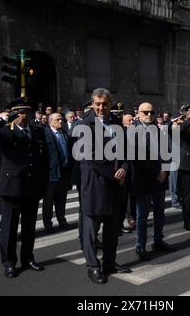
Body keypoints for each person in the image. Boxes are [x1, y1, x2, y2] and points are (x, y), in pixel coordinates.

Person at [0, 98, 49, 278]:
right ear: (12, 114)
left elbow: (44, 159)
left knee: (29, 227)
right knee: (9, 228)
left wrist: (43, 184)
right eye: (19, 113)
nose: (24, 116)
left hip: (32, 186)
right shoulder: (4, 131)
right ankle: (9, 262)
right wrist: (1, 119)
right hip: (11, 187)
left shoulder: (37, 131)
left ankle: (28, 257)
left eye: (26, 112)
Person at [79, 88, 131, 284]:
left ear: (110, 104)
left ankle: (109, 262)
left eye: (105, 104)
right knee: (91, 230)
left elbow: (126, 151)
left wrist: (124, 168)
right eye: (97, 104)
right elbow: (90, 157)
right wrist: (114, 174)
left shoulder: (116, 123)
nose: (101, 108)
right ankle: (93, 267)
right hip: (95, 184)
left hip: (115, 185)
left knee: (112, 229)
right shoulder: (85, 124)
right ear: (92, 104)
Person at [131, 102, 176, 261]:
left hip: (160, 178)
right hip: (144, 179)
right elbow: (137, 157)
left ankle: (158, 240)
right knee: (142, 216)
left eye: (152, 112)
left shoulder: (158, 129)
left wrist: (164, 170)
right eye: (146, 112)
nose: (149, 115)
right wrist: (156, 172)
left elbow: (167, 151)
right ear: (138, 113)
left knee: (160, 213)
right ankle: (140, 246)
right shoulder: (132, 130)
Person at [42, 113, 71, 234]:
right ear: (50, 122)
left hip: (64, 173)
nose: (61, 121)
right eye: (57, 119)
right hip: (51, 173)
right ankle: (48, 223)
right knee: (48, 201)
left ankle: (62, 220)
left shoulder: (64, 134)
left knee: (61, 199)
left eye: (61, 119)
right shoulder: (46, 134)